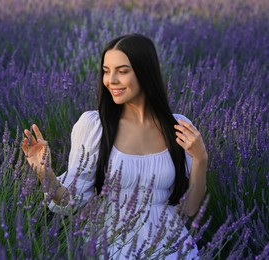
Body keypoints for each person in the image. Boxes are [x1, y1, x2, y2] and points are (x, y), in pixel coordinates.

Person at [21, 33, 207, 259]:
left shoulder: (178, 126)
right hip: (113, 246)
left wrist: (200, 159)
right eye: (106, 71)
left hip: (170, 247)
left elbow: (189, 209)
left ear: (145, 72)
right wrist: (45, 174)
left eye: (123, 70)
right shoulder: (95, 127)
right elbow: (70, 202)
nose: (111, 80)